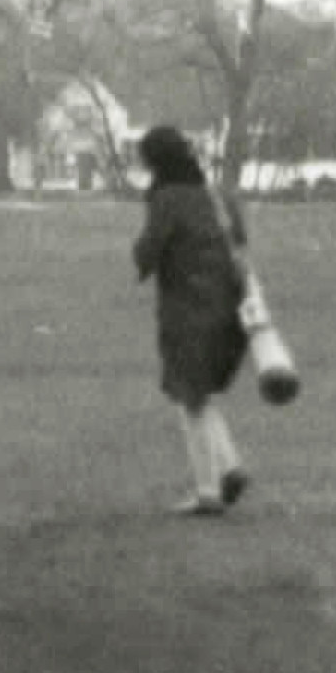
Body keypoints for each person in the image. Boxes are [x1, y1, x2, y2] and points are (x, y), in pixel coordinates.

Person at [130, 123, 252, 516]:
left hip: (188, 307)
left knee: (189, 397)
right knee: (199, 393)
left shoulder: (166, 199)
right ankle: (229, 467)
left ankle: (207, 490)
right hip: (231, 305)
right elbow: (240, 238)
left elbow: (146, 254)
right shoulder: (215, 194)